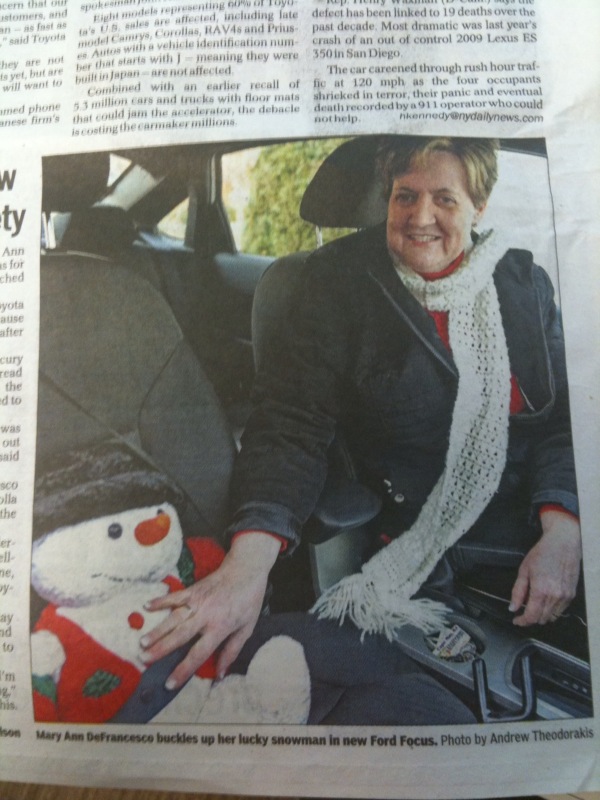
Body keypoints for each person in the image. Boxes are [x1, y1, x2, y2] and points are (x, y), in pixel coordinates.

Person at [140, 136, 581, 692]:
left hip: (544, 511)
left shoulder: (523, 284)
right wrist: (248, 565)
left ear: (479, 205)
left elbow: (565, 421)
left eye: (445, 199)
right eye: (405, 196)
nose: (421, 217)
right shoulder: (336, 283)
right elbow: (291, 426)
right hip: (439, 540)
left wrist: (564, 528)